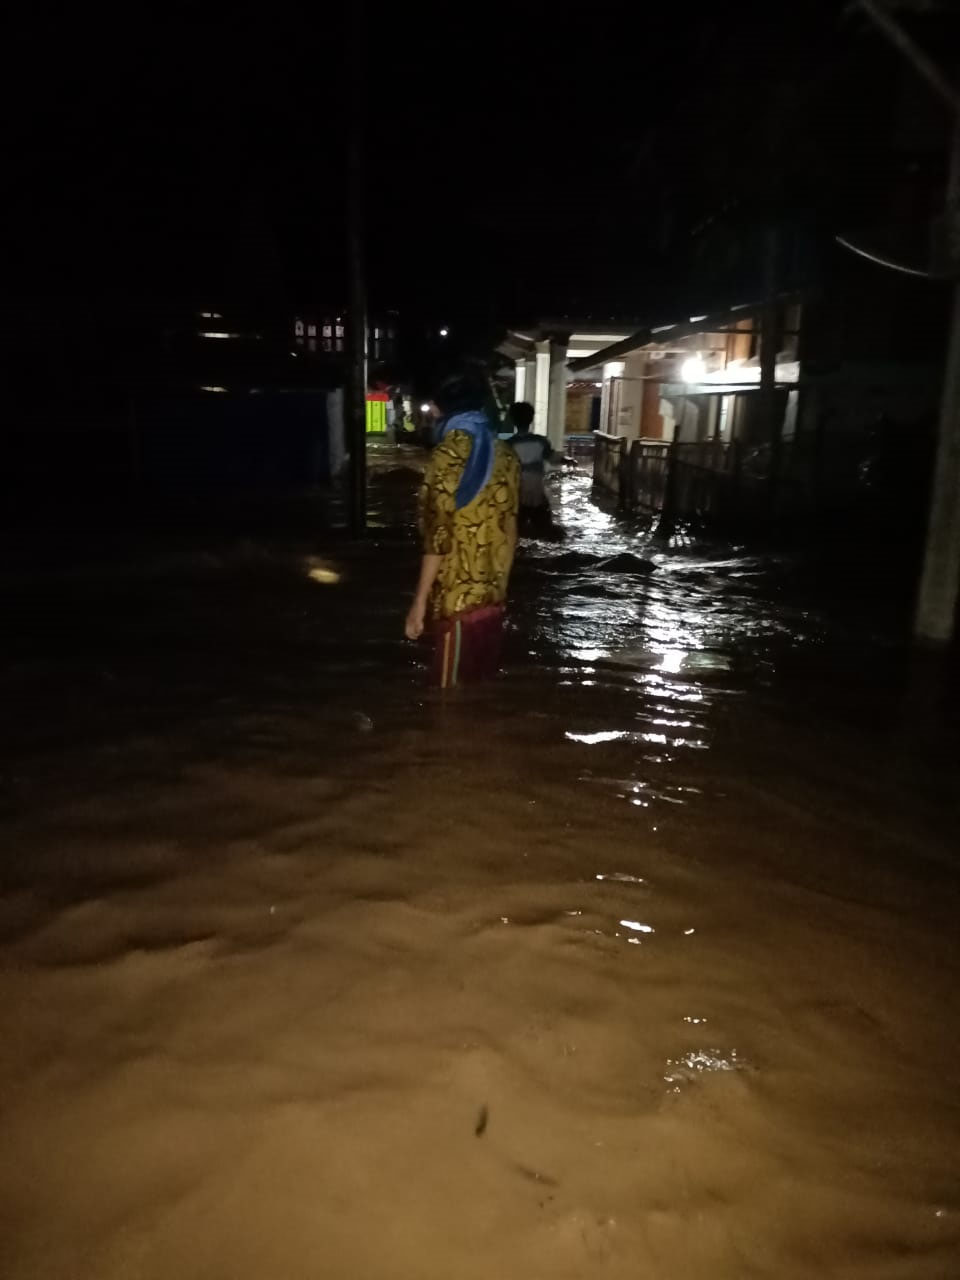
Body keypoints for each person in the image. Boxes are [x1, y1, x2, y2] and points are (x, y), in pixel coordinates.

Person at [405, 371, 520, 687]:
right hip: (492, 601)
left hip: (457, 602)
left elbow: (437, 536)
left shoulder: (446, 456)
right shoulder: (506, 455)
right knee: (480, 694)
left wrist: (419, 603)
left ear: (441, 410)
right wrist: (501, 589)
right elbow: (510, 532)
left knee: (448, 698)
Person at [507, 401, 563, 538]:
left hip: (518, 498)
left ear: (513, 420)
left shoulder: (508, 445)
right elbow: (553, 459)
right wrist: (566, 459)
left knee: (515, 534)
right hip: (538, 496)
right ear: (531, 419)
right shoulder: (541, 441)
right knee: (547, 534)